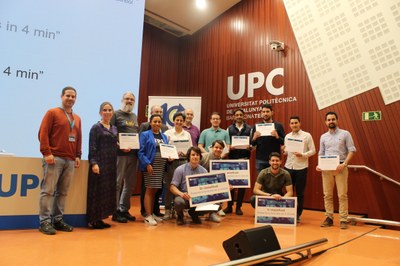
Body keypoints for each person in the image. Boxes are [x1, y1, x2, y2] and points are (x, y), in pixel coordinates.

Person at [38, 86, 82, 235]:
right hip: (54, 158)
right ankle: (44, 221)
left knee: (62, 192)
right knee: (48, 191)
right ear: (61, 96)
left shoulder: (77, 118)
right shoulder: (52, 113)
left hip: (70, 160)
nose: (70, 98)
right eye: (68, 96)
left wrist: (78, 155)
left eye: (73, 96)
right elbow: (42, 133)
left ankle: (57, 220)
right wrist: (46, 152)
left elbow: (78, 138)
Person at [317, 111, 356, 229]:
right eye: (329, 120)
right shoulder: (323, 137)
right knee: (327, 195)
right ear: (325, 122)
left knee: (342, 195)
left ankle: (343, 219)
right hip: (327, 169)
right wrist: (319, 165)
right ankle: (329, 217)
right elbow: (321, 153)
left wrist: (344, 164)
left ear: (337, 120)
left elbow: (352, 150)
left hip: (341, 167)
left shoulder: (345, 134)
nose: (331, 121)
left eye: (333, 119)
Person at [87, 102, 118, 229]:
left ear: (112, 112)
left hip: (111, 165)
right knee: (97, 192)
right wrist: (94, 163)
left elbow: (114, 144)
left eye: (109, 110)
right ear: (100, 112)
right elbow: (92, 146)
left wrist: (123, 147)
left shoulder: (115, 128)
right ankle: (93, 220)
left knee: (107, 192)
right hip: (99, 163)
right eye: (104, 110)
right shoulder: (96, 127)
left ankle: (101, 218)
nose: (107, 112)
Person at [170, 147, 219, 225]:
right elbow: (172, 187)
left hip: (198, 199)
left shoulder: (204, 171)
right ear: (189, 156)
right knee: (179, 202)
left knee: (215, 204)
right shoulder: (180, 169)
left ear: (200, 157)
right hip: (184, 197)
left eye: (197, 155)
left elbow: (208, 188)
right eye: (193, 155)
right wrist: (182, 194)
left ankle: (194, 214)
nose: (195, 157)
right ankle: (180, 215)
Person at [110, 92, 139, 223]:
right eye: (127, 98)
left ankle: (124, 209)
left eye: (132, 99)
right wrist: (119, 145)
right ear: (122, 100)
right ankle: (115, 211)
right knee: (117, 183)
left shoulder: (134, 116)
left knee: (130, 184)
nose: (129, 101)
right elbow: (110, 133)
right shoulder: (115, 114)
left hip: (133, 155)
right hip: (119, 155)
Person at [138, 114, 170, 226]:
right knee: (150, 190)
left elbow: (167, 150)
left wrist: (170, 157)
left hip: (161, 166)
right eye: (155, 121)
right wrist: (147, 163)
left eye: (159, 122)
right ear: (150, 123)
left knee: (155, 190)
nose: (157, 124)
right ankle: (148, 215)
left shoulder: (164, 136)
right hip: (150, 165)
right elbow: (140, 152)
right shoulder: (145, 134)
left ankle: (153, 213)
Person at [283, 116, 316, 223]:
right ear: (289, 125)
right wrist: (284, 151)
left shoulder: (307, 135)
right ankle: (288, 213)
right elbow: (286, 152)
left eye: (296, 122)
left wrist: (302, 155)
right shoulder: (287, 136)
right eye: (292, 123)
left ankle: (298, 214)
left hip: (301, 167)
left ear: (300, 123)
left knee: (300, 193)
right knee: (288, 191)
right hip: (288, 167)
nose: (294, 125)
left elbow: (313, 151)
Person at [163, 112, 193, 220]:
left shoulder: (187, 134)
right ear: (173, 121)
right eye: (177, 120)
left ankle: (180, 210)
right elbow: (164, 148)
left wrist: (185, 154)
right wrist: (170, 156)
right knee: (169, 187)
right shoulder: (167, 133)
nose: (179, 122)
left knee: (182, 187)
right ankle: (167, 210)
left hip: (183, 162)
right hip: (171, 162)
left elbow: (190, 149)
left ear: (183, 122)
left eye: (181, 120)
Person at [225, 108, 252, 216]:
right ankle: (229, 206)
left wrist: (250, 147)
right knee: (230, 184)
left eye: (241, 114)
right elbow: (227, 143)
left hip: (244, 159)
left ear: (244, 116)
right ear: (234, 117)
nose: (239, 116)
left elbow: (252, 145)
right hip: (232, 159)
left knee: (242, 185)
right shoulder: (229, 129)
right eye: (237, 115)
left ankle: (239, 207)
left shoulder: (249, 128)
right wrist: (229, 147)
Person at [251, 104, 285, 174]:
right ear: (261, 113)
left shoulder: (278, 125)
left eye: (267, 111)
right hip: (260, 160)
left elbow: (284, 142)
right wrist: (254, 138)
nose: (265, 114)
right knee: (261, 183)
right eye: (263, 112)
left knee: (275, 182)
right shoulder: (257, 126)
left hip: (275, 160)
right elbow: (252, 144)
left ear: (272, 112)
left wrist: (277, 136)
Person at [199, 140, 226, 222]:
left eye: (220, 148)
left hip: (213, 186)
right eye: (216, 147)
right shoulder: (203, 157)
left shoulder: (222, 163)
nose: (218, 149)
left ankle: (212, 213)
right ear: (211, 148)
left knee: (222, 188)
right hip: (200, 184)